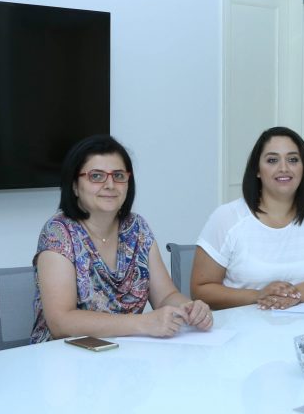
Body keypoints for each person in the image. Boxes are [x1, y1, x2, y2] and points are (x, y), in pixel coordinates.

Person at [30, 135, 212, 342]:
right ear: (74, 186)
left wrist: (188, 308)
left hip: (127, 348)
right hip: (64, 353)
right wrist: (143, 323)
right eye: (96, 176)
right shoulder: (58, 232)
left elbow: (165, 296)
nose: (110, 185)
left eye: (118, 176)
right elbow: (61, 323)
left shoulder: (137, 228)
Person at [191, 126, 304, 310]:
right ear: (257, 170)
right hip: (242, 323)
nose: (284, 168)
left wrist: (293, 295)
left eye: (293, 159)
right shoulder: (227, 217)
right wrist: (259, 295)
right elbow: (200, 289)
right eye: (272, 160)